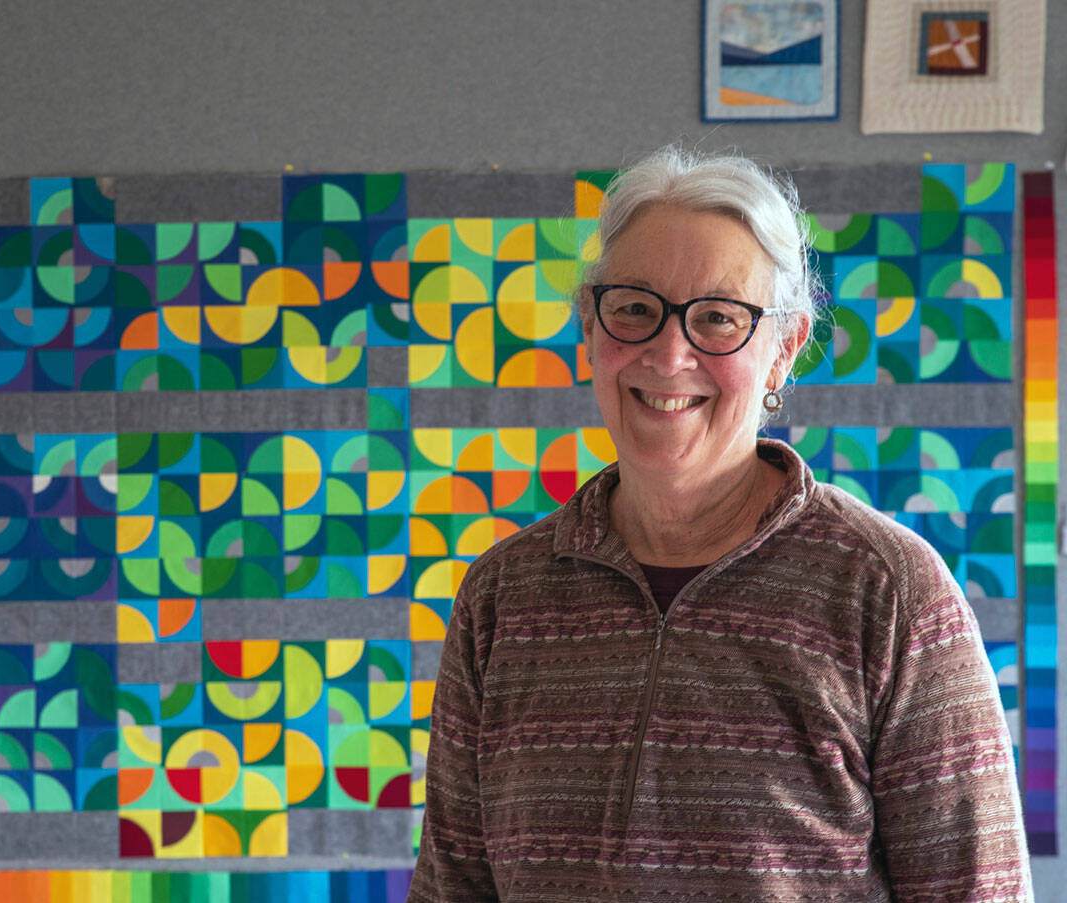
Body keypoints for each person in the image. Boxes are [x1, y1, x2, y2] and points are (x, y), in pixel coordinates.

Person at [407, 146, 1032, 901]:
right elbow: (453, 888)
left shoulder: (890, 592)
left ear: (783, 350)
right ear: (589, 330)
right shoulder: (504, 596)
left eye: (718, 319)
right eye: (634, 308)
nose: (669, 355)